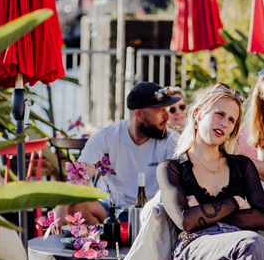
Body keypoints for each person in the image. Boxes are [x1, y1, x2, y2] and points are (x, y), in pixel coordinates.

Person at [158, 83, 264, 260]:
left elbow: (262, 218)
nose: (225, 123)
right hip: (193, 254)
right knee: (252, 242)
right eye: (219, 114)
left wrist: (204, 213)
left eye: (231, 120)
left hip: (237, 251)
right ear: (197, 115)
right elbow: (185, 222)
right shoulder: (172, 167)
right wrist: (235, 203)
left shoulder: (242, 165)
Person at [56, 82, 179, 225]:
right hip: (111, 212)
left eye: (166, 109)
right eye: (160, 110)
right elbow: (79, 179)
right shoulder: (106, 136)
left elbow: (176, 189)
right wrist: (60, 207)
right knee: (75, 206)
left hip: (153, 215)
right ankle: (104, 244)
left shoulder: (172, 140)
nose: (167, 116)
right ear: (138, 113)